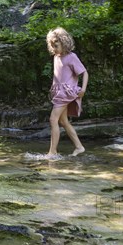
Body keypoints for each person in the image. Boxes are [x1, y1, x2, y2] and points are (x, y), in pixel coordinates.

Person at [46, 27, 88, 157]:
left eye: (56, 45)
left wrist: (83, 89)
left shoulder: (71, 57)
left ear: (64, 43)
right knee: (63, 122)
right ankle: (79, 147)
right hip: (59, 93)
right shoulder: (56, 57)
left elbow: (84, 73)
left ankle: (52, 152)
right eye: (52, 46)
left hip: (66, 93)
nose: (54, 48)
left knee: (53, 119)